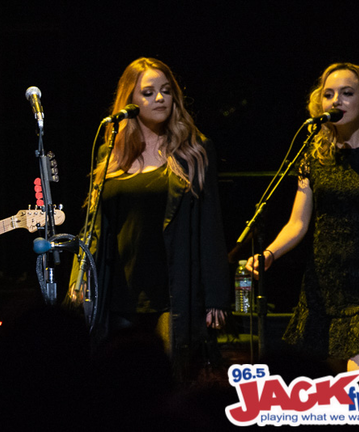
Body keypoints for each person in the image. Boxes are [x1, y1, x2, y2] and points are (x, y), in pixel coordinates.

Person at [68, 57, 231, 380]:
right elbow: (93, 227)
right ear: (130, 100)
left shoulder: (194, 151)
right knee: (118, 383)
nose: (160, 98)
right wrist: (79, 278)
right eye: (149, 92)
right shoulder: (110, 154)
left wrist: (216, 296)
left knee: (168, 382)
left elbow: (210, 226)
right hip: (118, 292)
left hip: (172, 291)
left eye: (166, 91)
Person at [245, 62, 359, 382]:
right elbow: (298, 222)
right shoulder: (315, 155)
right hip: (324, 285)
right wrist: (268, 253)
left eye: (346, 93)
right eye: (329, 94)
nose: (336, 100)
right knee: (331, 394)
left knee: (358, 388)